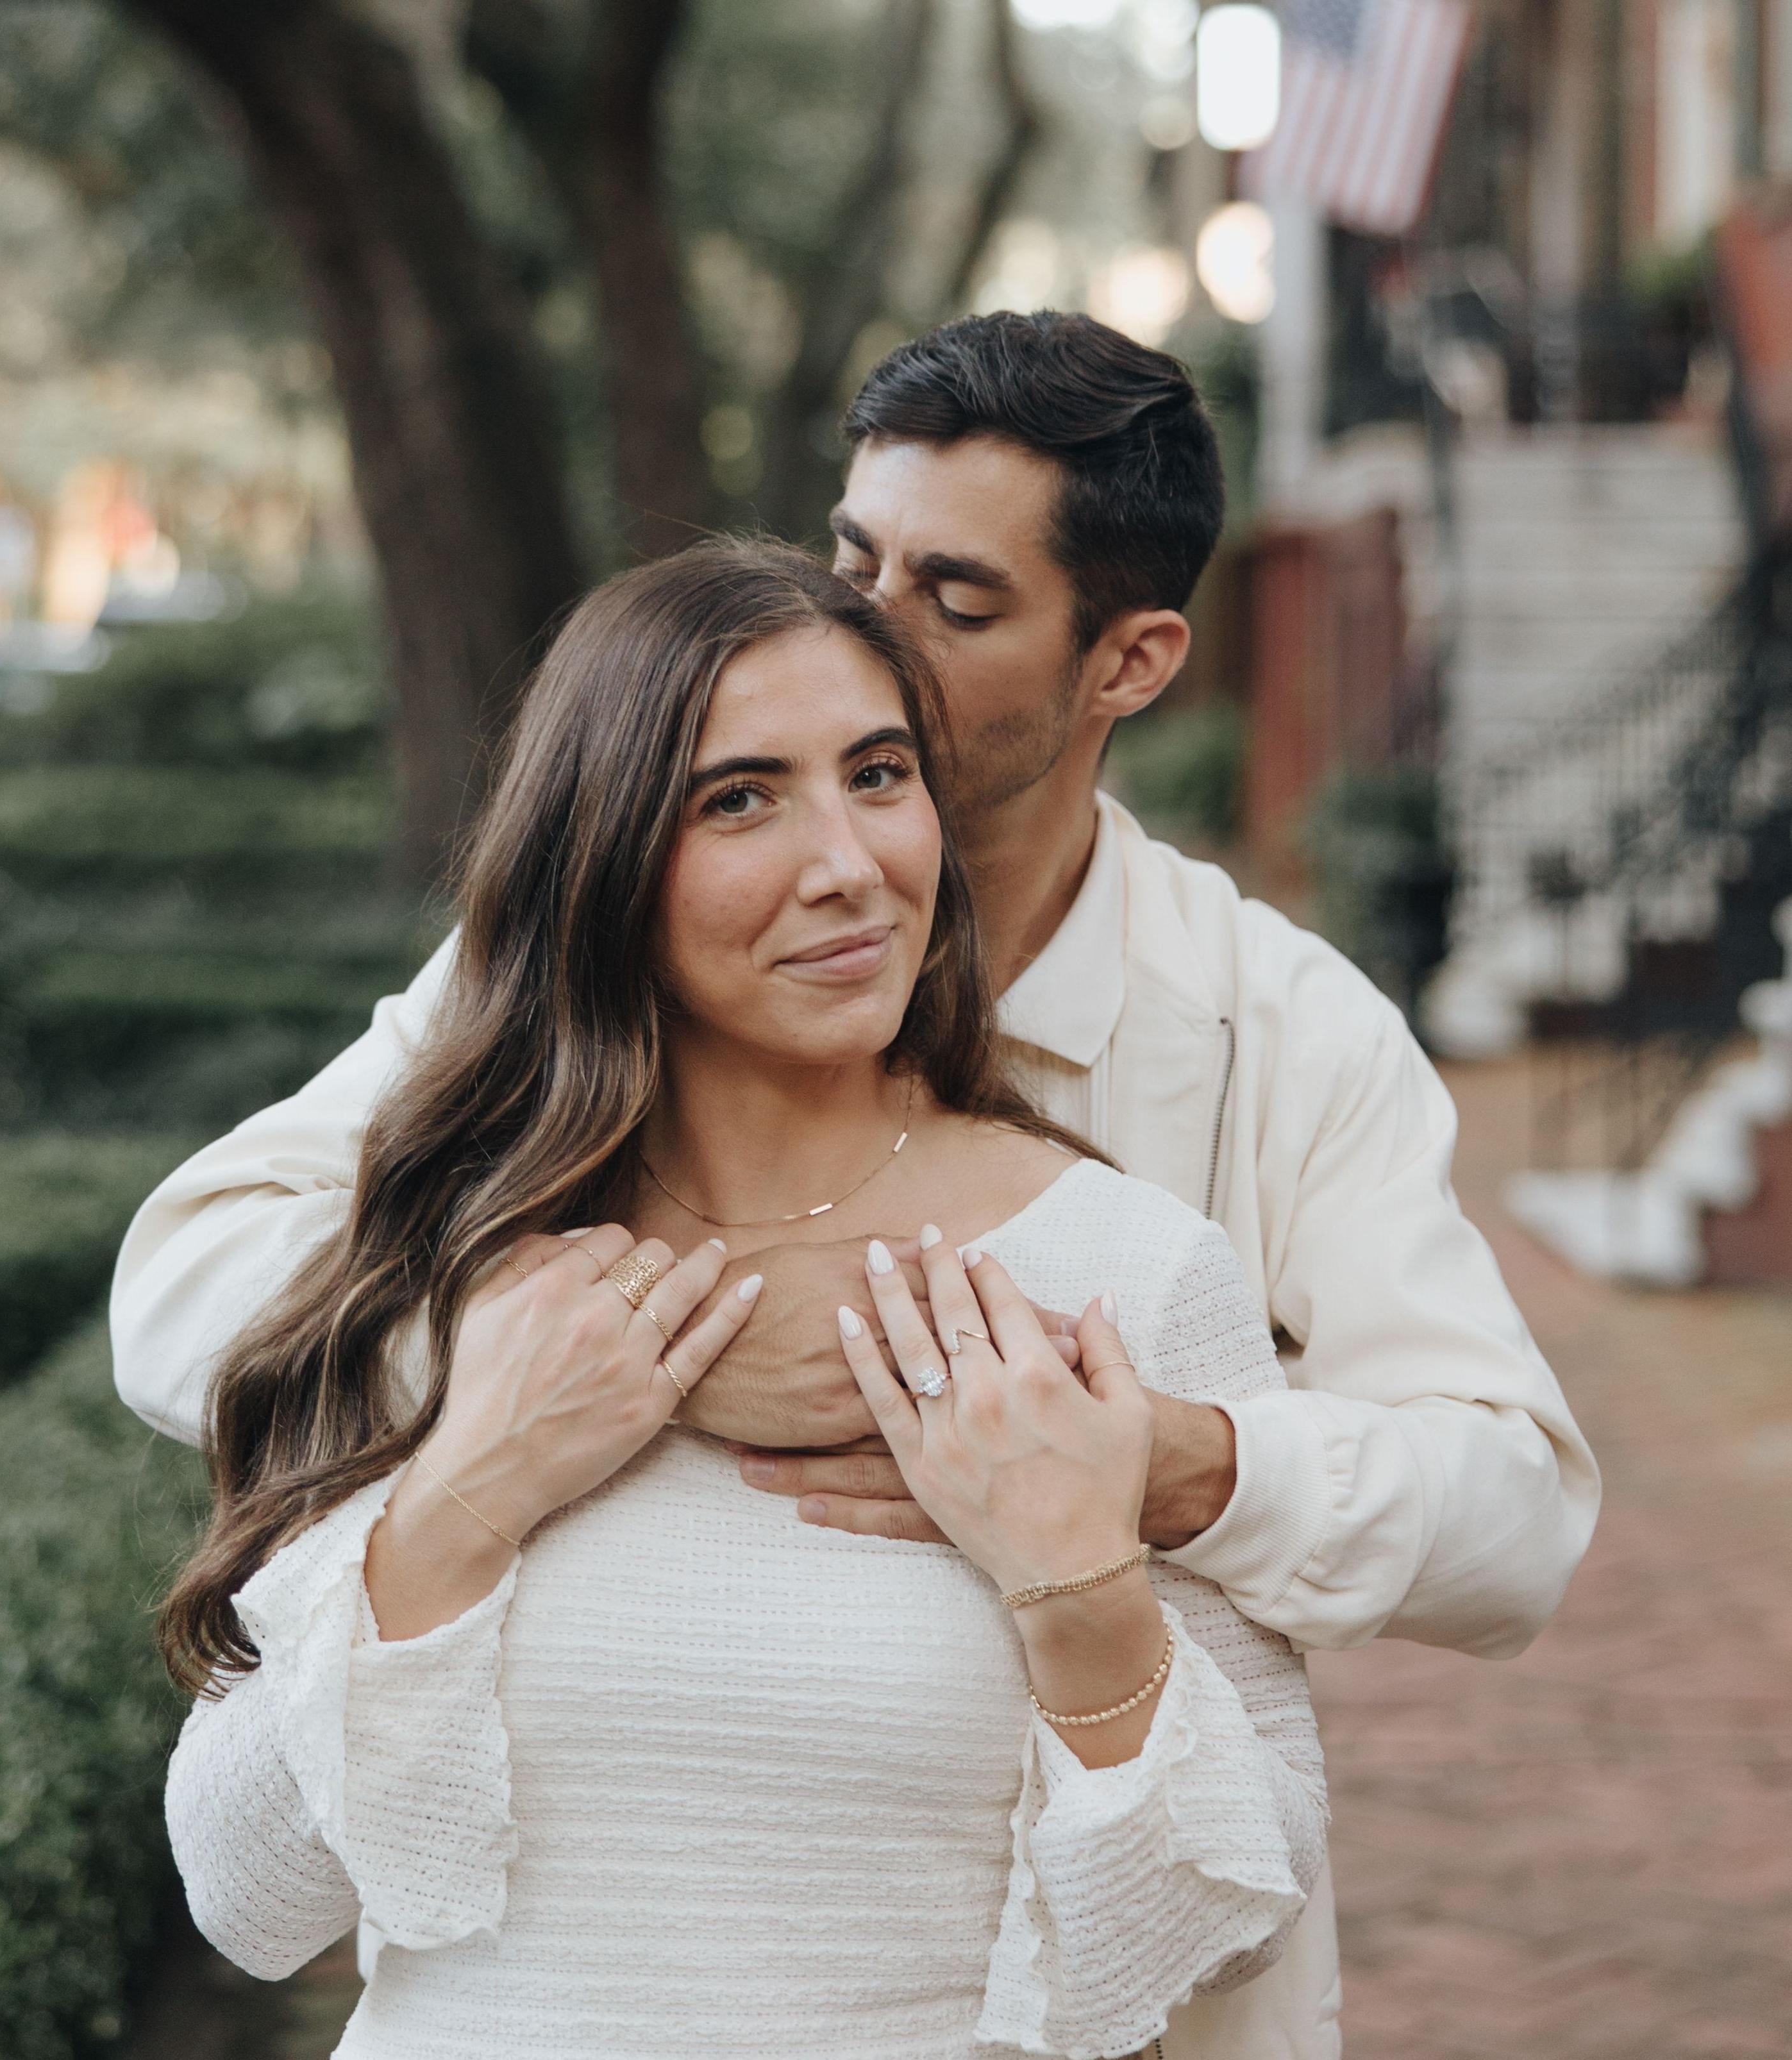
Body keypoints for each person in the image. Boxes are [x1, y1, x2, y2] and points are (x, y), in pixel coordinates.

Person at [115, 312, 1596, 1666]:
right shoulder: (624, 943)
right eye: (853, 560)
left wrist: (1157, 1459)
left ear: (1128, 664)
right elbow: (186, 1279)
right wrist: (612, 1352)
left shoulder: (1281, 1026)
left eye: (953, 599)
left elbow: (1513, 1516)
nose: (867, 624)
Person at [160, 541, 1330, 2057]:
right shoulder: (465, 1262)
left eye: (878, 774)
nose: (846, 862)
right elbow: (248, 1895)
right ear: (599, 861)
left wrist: (1080, 1590)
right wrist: (471, 1487)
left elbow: (1243, 1913)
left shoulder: (1121, 1270)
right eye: (738, 798)